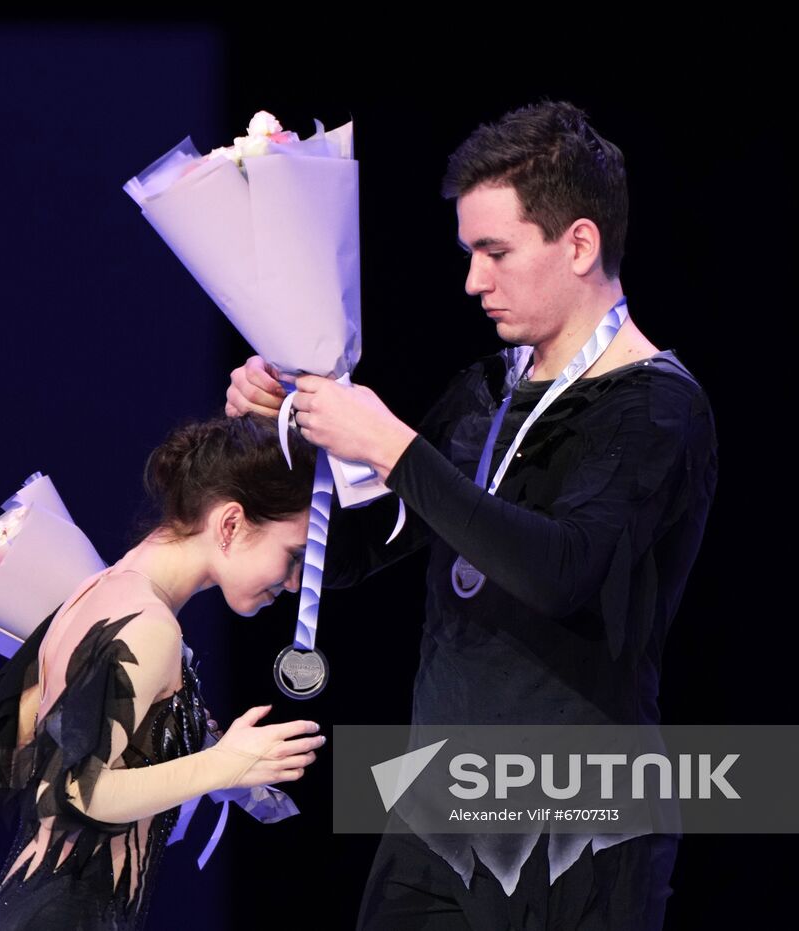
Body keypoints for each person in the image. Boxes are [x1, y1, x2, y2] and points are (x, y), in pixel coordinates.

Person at [225, 100, 718, 929]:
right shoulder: (485, 393)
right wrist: (279, 430)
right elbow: (352, 551)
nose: (472, 281)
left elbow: (557, 573)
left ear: (580, 243)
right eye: (468, 253)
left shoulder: (657, 409)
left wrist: (392, 447)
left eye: (495, 252)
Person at [0, 412, 329, 930]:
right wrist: (222, 765)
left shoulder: (100, 593)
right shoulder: (148, 624)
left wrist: (224, 769)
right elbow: (72, 790)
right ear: (230, 524)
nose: (295, 583)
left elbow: (23, 755)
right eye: (293, 556)